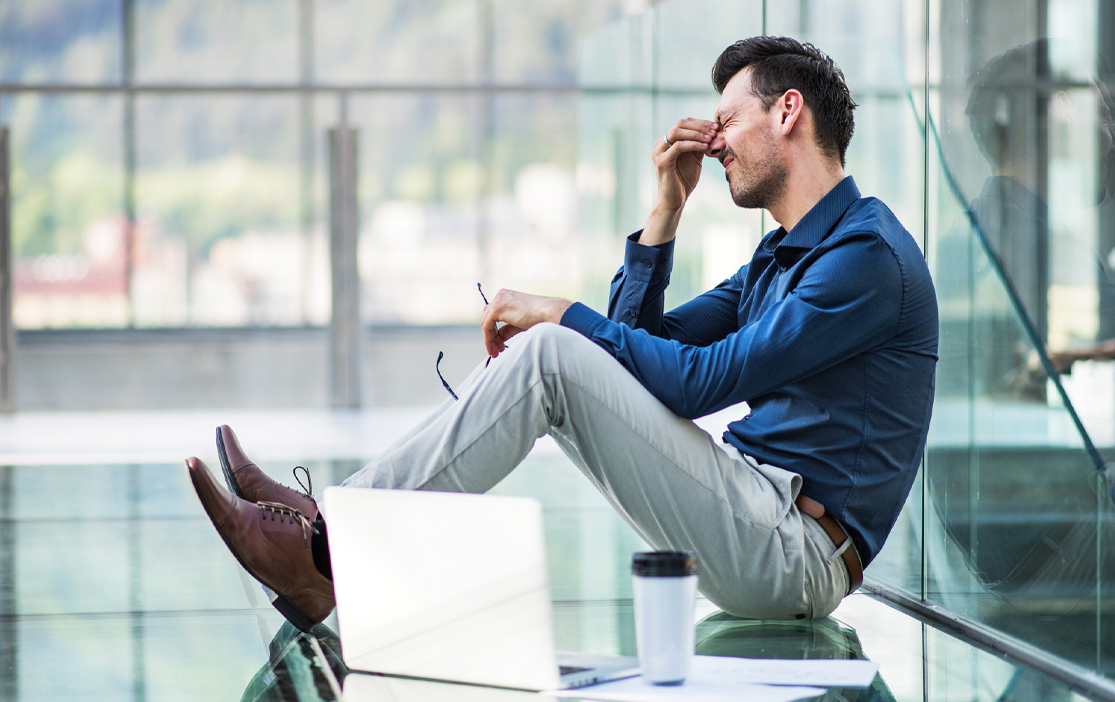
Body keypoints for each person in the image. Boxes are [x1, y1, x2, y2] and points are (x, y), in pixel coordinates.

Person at [185, 36, 939, 631]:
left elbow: (696, 382)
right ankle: (328, 537)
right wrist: (666, 211)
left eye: (727, 119)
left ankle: (326, 549)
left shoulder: (864, 261)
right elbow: (631, 346)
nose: (714, 142)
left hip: (795, 555)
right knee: (563, 351)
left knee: (552, 350)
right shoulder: (782, 253)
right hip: (754, 516)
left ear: (787, 112)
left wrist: (555, 312)